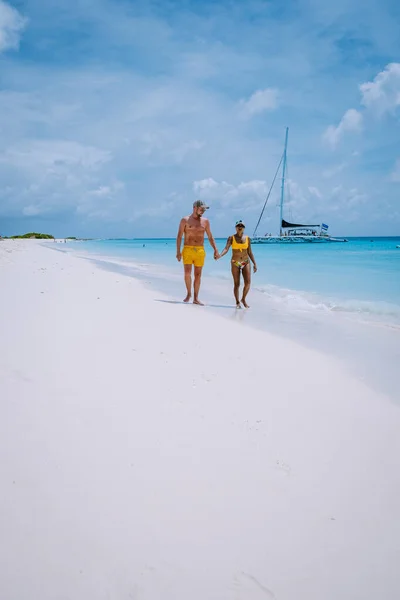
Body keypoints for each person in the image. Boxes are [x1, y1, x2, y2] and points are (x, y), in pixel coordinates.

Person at [176, 200, 219, 305]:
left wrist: (215, 250)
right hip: (188, 249)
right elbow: (179, 236)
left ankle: (196, 298)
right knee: (187, 273)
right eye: (201, 208)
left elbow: (210, 237)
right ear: (195, 207)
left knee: (198, 275)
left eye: (204, 209)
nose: (203, 211)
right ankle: (188, 293)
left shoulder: (205, 221)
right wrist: (178, 251)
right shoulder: (185, 220)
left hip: (200, 250)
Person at [217, 220, 257, 308]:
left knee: (248, 283)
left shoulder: (247, 238)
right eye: (238, 226)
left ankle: (243, 299)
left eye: (242, 226)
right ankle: (237, 302)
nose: (240, 227)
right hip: (235, 262)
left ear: (244, 228)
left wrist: (255, 263)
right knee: (237, 284)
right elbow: (226, 249)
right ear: (235, 228)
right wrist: (220, 255)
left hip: (246, 262)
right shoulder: (231, 238)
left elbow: (250, 252)